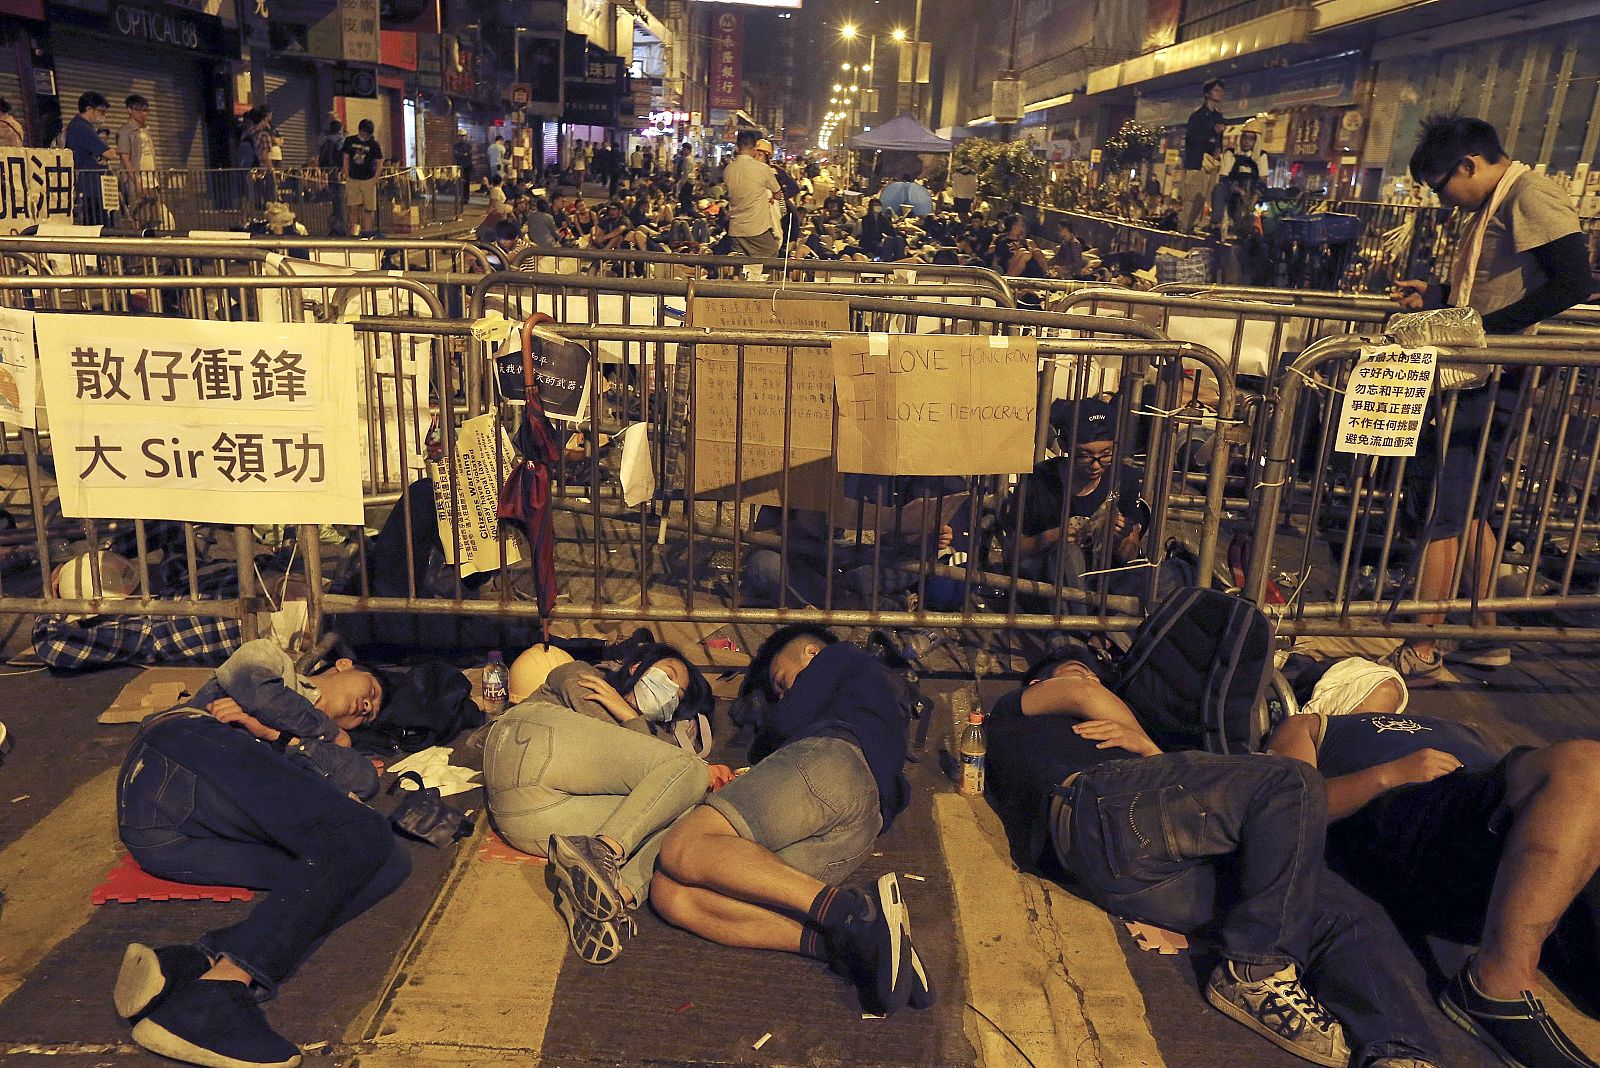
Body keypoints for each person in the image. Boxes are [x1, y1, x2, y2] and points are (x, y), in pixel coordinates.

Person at [987, 648, 1445, 1068]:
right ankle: (1255, 970)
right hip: (1093, 802)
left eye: (1094, 674)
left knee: (1339, 912)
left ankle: (1401, 1052)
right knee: (1291, 779)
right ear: (1038, 684)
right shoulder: (1014, 710)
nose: (1090, 679)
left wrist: (1146, 750)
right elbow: (1081, 692)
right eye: (1074, 670)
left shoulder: (1118, 736)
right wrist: (1142, 743)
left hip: (1121, 872)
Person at [1268, 669, 1600, 1068]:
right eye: (1364, 674)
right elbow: (1285, 809)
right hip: (1412, 818)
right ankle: (1497, 983)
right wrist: (1388, 775)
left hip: (1496, 838)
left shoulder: (1455, 728)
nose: (1384, 685)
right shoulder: (1311, 725)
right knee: (1586, 764)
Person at [112, 638, 408, 1068]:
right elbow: (253, 685)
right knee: (364, 830)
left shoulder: (317, 740)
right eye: (372, 691)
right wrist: (327, 734)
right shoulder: (276, 664)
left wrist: (276, 734)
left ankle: (194, 964)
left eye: (372, 715)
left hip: (168, 840)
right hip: (181, 750)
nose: (367, 707)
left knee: (385, 864)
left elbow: (362, 780)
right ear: (344, 664)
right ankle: (218, 995)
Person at [1385, 115, 1594, 684]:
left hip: (1493, 375)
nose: (1442, 200)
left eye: (1440, 186)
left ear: (1467, 164)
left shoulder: (1529, 194)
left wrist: (1486, 332)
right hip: (1485, 373)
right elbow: (1500, 284)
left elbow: (1574, 282)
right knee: (1469, 507)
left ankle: (1424, 645)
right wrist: (1440, 295)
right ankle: (1486, 634)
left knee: (1446, 509)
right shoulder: (1499, 202)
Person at [650, 626, 936, 1015]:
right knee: (672, 894)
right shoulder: (875, 706)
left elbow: (783, 725)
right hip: (860, 825)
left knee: (682, 846)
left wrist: (760, 737)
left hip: (833, 765)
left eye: (783, 682)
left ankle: (849, 912)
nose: (783, 694)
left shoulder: (840, 657)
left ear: (811, 653)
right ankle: (856, 946)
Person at [484, 643, 725, 964]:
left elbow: (666, 773)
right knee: (690, 770)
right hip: (523, 741)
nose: (669, 690)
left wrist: (630, 716)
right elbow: (677, 764)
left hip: (523, 819)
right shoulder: (584, 675)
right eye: (668, 674)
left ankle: (606, 899)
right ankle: (604, 852)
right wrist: (628, 715)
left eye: (678, 694)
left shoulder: (648, 732)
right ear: (637, 667)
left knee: (687, 818)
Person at [1009, 397, 1145, 591]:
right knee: (1069, 556)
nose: (1096, 465)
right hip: (1048, 583)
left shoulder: (1124, 478)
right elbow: (1010, 551)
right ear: (1064, 446)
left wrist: (1118, 539)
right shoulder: (1039, 480)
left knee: (1166, 576)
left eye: (1106, 454)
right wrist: (1052, 538)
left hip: (1103, 582)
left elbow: (1130, 556)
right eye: (1084, 456)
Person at [724, 129, 782, 258]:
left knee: (740, 264)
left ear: (737, 147)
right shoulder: (763, 169)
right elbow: (778, 194)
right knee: (771, 256)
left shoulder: (728, 170)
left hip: (735, 230)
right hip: (757, 229)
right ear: (754, 148)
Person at [1211, 119, 1269, 241]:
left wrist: (1253, 200)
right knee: (1219, 189)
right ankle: (1216, 226)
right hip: (1232, 191)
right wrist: (1237, 189)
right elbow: (1223, 177)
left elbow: (1263, 181)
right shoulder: (1230, 153)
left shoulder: (1261, 156)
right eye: (1245, 137)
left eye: (1251, 139)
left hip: (1249, 195)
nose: (1246, 141)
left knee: (1244, 228)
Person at [1181, 78, 1227, 232]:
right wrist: (1212, 132)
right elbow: (1191, 138)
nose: (1220, 93)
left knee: (1208, 199)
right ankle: (1184, 231)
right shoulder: (1197, 116)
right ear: (1207, 93)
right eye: (1216, 90)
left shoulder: (1218, 116)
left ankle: (1198, 230)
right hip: (1197, 164)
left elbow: (1218, 140)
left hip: (1212, 164)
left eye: (1221, 90)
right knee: (1193, 201)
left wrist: (1218, 150)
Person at [64, 91, 117, 224]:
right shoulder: (81, 128)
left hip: (89, 187)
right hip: (89, 188)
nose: (103, 115)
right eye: (101, 111)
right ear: (89, 109)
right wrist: (112, 152)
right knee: (97, 225)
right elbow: (109, 154)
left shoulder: (77, 126)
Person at [116, 94, 156, 225]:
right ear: (129, 110)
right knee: (140, 217)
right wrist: (137, 182)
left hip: (151, 180)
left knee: (155, 218)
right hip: (137, 180)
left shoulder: (145, 130)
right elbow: (125, 159)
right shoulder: (125, 131)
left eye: (146, 110)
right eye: (140, 110)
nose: (144, 114)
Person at [341, 118, 383, 236]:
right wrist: (347, 174)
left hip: (368, 179)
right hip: (353, 178)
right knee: (352, 207)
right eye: (364, 133)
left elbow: (380, 161)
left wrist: (375, 178)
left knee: (368, 208)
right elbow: (346, 158)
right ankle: (354, 233)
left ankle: (366, 232)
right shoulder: (350, 141)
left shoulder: (374, 144)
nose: (365, 136)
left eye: (367, 134)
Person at [991, 213, 1051, 279]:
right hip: (1012, 264)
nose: (1022, 228)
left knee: (1037, 251)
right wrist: (996, 270)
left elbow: (1031, 253)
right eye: (1020, 225)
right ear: (1014, 226)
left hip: (1027, 262)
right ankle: (1009, 278)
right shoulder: (1003, 241)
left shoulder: (1023, 241)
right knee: (1024, 253)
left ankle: (1047, 274)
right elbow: (996, 259)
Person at [315, 118, 349, 236]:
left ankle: (335, 226)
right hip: (338, 172)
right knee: (340, 200)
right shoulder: (340, 141)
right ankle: (341, 227)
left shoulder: (325, 140)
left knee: (335, 200)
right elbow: (344, 157)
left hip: (329, 172)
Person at [452, 136, 473, 205]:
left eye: (464, 136)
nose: (462, 138)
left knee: (466, 182)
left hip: (467, 166)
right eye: (461, 136)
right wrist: (463, 155)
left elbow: (468, 154)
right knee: (460, 182)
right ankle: (461, 197)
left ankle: (466, 198)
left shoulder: (468, 145)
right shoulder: (456, 146)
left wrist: (461, 155)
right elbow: (455, 154)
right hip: (460, 166)